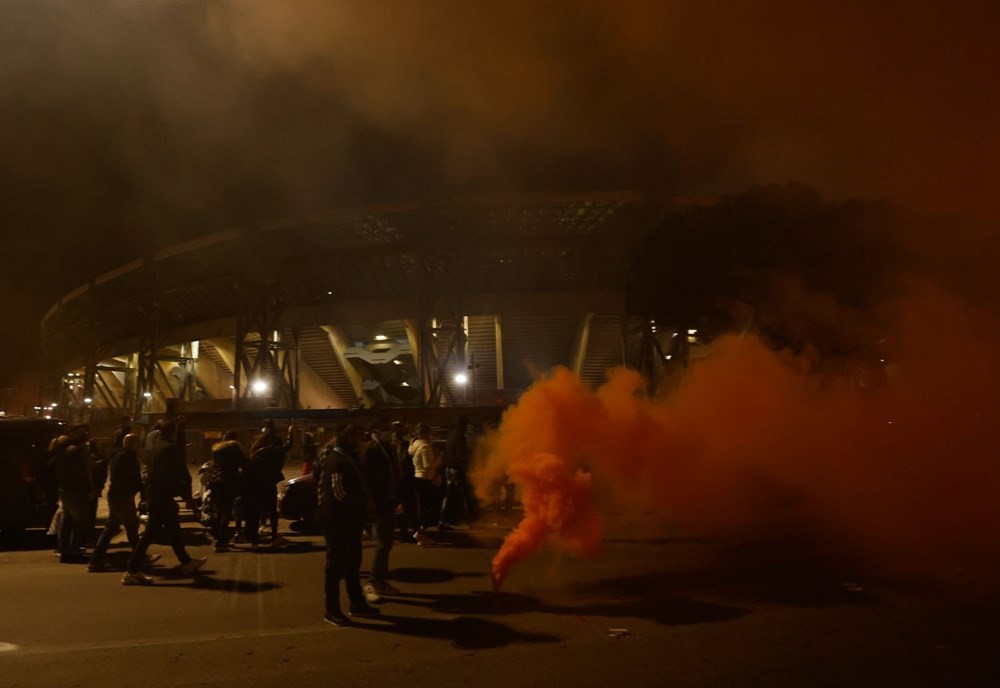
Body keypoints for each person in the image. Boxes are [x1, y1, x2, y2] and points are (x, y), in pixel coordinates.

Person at [122, 419, 206, 585]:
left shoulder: (156, 447)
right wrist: (187, 497)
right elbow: (182, 474)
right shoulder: (170, 448)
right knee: (151, 533)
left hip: (157, 494)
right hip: (162, 496)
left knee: (172, 530)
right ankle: (132, 570)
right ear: (173, 432)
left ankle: (186, 562)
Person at [315, 423, 381, 626]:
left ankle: (357, 603)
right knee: (334, 566)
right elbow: (338, 493)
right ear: (350, 438)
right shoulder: (337, 460)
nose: (364, 440)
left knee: (353, 563)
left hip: (350, 520)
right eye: (361, 436)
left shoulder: (350, 457)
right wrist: (361, 506)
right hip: (338, 520)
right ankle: (332, 610)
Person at [88, 434, 159, 571]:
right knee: (132, 527)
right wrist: (139, 488)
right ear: (132, 444)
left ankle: (96, 560)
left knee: (111, 528)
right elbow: (127, 478)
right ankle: (140, 558)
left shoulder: (123, 456)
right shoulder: (126, 457)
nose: (139, 446)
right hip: (122, 497)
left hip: (120, 496)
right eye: (137, 443)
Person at [362, 419, 403, 604]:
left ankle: (381, 581)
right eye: (387, 429)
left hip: (388, 501)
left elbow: (393, 473)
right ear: (376, 431)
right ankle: (374, 582)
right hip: (379, 503)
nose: (390, 432)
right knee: (382, 543)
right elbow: (368, 479)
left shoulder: (386, 448)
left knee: (387, 543)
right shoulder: (371, 449)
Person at [246, 419, 294, 546]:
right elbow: (286, 447)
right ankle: (274, 537)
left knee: (257, 509)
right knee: (272, 509)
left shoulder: (256, 448)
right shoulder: (272, 448)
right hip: (268, 481)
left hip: (256, 482)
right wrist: (290, 433)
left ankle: (254, 538)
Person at [51, 429, 95, 563]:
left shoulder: (62, 452)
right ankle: (74, 550)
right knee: (80, 521)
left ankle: (64, 549)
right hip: (77, 490)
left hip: (65, 489)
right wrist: (89, 488)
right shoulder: (76, 452)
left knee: (67, 519)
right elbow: (82, 473)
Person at [207, 430, 247, 552]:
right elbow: (244, 464)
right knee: (227, 512)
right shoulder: (234, 447)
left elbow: (214, 465)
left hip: (215, 482)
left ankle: (217, 537)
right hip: (227, 482)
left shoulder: (217, 449)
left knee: (219, 511)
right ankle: (221, 542)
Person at [438, 416, 475, 529]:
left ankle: (442, 521)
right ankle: (472, 522)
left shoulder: (450, 435)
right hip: (457, 470)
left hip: (448, 470)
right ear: (463, 425)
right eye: (466, 425)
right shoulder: (460, 437)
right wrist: (466, 469)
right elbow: (461, 455)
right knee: (467, 495)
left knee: (448, 496)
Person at [408, 423, 437, 546]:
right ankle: (421, 533)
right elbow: (428, 466)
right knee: (426, 508)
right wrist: (439, 461)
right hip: (425, 479)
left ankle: (420, 533)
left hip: (417, 478)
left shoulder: (414, 445)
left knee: (421, 508)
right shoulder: (425, 447)